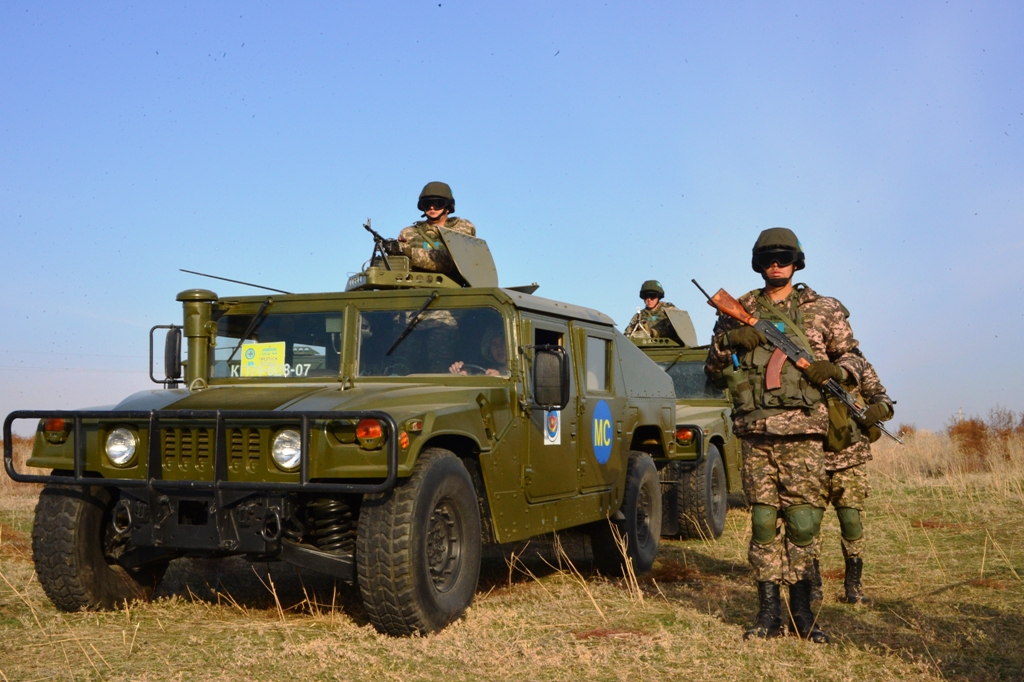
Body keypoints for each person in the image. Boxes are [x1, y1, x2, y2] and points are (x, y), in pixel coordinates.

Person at [704, 227, 866, 644]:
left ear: (797, 262)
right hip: (757, 432)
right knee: (762, 522)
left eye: (784, 258)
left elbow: (854, 358)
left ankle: (803, 614)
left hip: (805, 432)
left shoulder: (823, 309)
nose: (776, 265)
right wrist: (729, 340)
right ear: (758, 264)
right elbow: (712, 369)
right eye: (768, 259)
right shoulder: (739, 307)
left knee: (803, 523)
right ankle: (768, 615)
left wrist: (837, 370)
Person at [810, 352, 894, 605]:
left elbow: (883, 399)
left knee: (851, 522)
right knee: (808, 525)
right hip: (810, 458)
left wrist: (878, 410)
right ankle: (812, 585)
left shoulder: (856, 363)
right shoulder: (802, 359)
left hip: (851, 458)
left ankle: (853, 586)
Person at [397, 181, 476, 277]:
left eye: (438, 203)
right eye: (427, 203)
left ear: (448, 207)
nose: (432, 207)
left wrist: (408, 252)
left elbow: (453, 261)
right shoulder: (409, 232)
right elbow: (399, 264)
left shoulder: (462, 227)